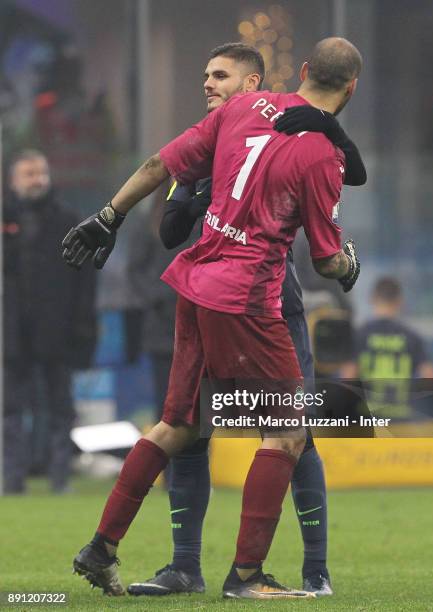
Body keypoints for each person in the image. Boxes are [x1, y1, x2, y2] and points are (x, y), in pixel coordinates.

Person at [63, 36, 363, 599]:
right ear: (351, 88)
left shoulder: (243, 109)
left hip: (194, 283)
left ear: (300, 71)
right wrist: (350, 265)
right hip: (248, 296)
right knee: (288, 432)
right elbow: (325, 259)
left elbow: (160, 162)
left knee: (176, 425)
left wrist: (109, 216)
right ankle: (247, 577)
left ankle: (100, 548)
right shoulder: (326, 155)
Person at [2, 149, 96, 494]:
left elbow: (85, 280)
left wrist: (84, 328)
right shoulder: (5, 220)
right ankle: (12, 479)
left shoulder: (68, 220)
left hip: (58, 330)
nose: (36, 180)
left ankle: (60, 479)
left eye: (40, 173)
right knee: (10, 410)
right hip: (11, 332)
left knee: (60, 409)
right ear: (13, 181)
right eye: (28, 174)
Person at [342, 277, 433, 419]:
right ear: (400, 301)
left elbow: (348, 379)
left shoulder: (360, 335)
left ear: (372, 299)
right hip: (402, 422)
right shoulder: (412, 337)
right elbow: (431, 379)